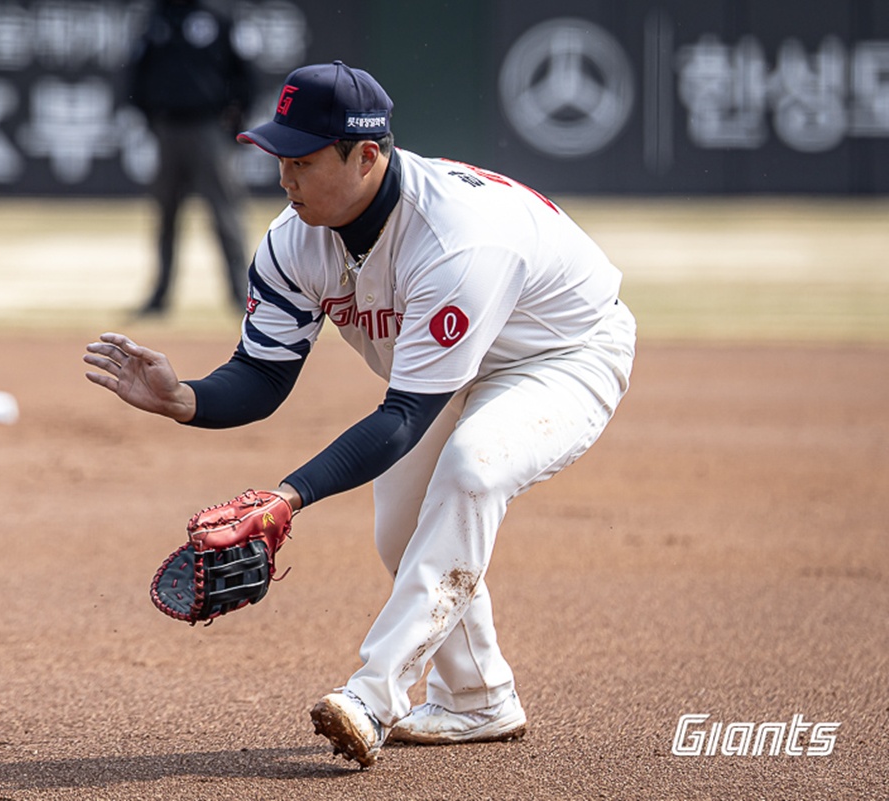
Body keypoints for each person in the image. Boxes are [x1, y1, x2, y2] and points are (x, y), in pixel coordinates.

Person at [85, 61, 636, 767]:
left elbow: (402, 416)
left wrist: (288, 496)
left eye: (304, 161)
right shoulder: (295, 239)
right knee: (400, 529)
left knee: (473, 469)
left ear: (367, 156)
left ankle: (374, 695)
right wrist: (184, 398)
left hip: (560, 353)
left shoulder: (456, 238)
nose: (286, 178)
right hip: (444, 370)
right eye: (280, 158)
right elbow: (263, 374)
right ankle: (478, 699)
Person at [125, 0, 255, 317]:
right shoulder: (156, 17)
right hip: (168, 127)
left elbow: (244, 74)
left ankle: (242, 293)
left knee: (225, 214)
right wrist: (149, 116)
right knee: (166, 214)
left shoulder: (217, 17)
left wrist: (235, 123)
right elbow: (137, 72)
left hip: (208, 127)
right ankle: (160, 295)